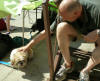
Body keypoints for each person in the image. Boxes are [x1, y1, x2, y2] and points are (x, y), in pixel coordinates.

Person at [18, 0, 100, 81]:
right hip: (81, 32)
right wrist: (28, 46)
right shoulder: (65, 12)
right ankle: (68, 65)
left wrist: (97, 32)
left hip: (96, 32)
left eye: (65, 17)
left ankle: (85, 71)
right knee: (60, 27)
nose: (62, 18)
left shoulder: (97, 10)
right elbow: (48, 31)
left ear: (76, 13)